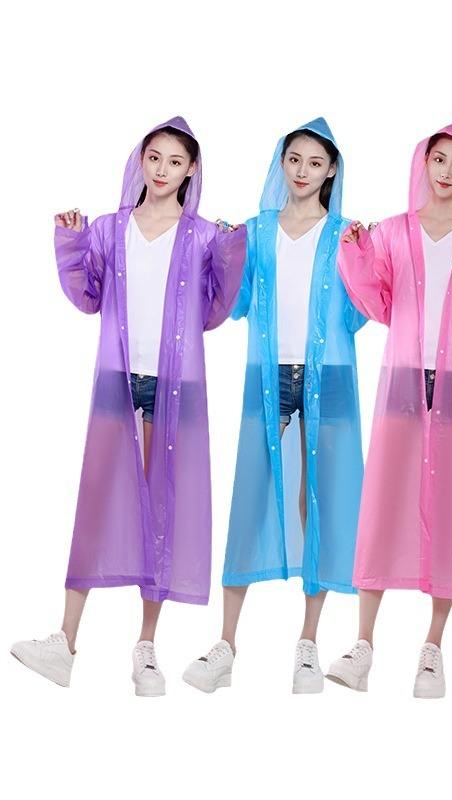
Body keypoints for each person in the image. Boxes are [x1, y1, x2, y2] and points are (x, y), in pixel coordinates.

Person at [10, 117, 246, 695]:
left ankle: (146, 648)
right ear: (141, 160)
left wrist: (232, 250)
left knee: (160, 508)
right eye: (154, 157)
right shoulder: (109, 229)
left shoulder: (202, 236)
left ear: (191, 170)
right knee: (97, 501)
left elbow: (216, 309)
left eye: (174, 161)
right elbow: (88, 297)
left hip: (174, 387)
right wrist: (71, 242)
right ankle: (64, 642)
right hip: (118, 382)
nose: (162, 170)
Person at [328, 116, 452, 698]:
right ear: (424, 162)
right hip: (403, 382)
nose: (446, 172)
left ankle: (433, 647)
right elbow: (378, 303)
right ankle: (363, 644)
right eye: (439, 160)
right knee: (384, 502)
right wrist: (354, 253)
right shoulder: (392, 231)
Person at [183, 119, 367, 695]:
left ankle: (308, 642)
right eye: (294, 159)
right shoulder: (256, 232)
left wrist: (366, 255)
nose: (303, 171)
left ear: (330, 170)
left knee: (320, 501)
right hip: (267, 376)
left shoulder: (346, 235)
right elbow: (231, 302)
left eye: (315, 162)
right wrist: (220, 252)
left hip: (328, 376)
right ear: (281, 163)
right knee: (250, 497)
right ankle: (226, 643)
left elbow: (364, 308)